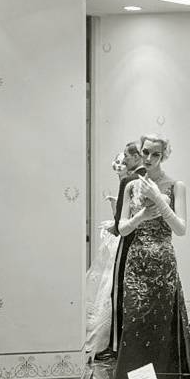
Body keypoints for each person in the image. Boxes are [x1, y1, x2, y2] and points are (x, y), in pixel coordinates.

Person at [93, 134, 190, 379]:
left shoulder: (177, 186)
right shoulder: (130, 185)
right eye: (145, 152)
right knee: (134, 334)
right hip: (136, 266)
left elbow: (181, 229)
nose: (149, 158)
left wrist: (160, 203)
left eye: (155, 153)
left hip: (163, 266)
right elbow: (123, 229)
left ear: (164, 155)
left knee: (161, 334)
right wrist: (142, 212)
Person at [98, 140, 146, 360]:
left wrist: (113, 226)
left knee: (119, 291)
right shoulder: (149, 179)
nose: (124, 160)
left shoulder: (128, 180)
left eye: (127, 156)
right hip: (147, 243)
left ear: (136, 157)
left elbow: (120, 224)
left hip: (128, 242)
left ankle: (117, 346)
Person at [84, 153, 125, 361]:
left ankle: (113, 339)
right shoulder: (124, 185)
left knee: (110, 285)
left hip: (121, 237)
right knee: (105, 285)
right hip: (117, 238)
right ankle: (108, 339)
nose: (119, 168)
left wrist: (113, 224)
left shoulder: (128, 185)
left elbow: (122, 220)